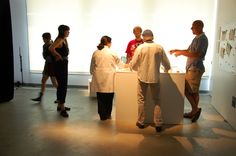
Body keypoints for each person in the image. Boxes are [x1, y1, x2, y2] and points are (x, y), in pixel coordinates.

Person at [129, 29, 171, 132]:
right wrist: (166, 69)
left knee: (141, 100)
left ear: (143, 37)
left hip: (142, 77)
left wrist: (134, 68)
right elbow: (166, 63)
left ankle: (141, 122)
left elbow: (133, 64)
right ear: (152, 36)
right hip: (155, 77)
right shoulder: (159, 47)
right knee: (157, 100)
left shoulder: (140, 47)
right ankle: (158, 123)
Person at [169, 20, 208, 122]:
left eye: (193, 27)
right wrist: (177, 50)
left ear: (199, 27)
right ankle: (193, 111)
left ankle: (195, 110)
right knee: (192, 91)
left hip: (195, 68)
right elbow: (189, 51)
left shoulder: (202, 39)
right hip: (192, 68)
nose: (191, 29)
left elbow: (197, 54)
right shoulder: (196, 38)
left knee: (189, 90)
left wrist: (180, 53)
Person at [90, 36, 124, 121]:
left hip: (98, 76)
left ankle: (102, 115)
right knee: (109, 96)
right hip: (110, 77)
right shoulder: (112, 52)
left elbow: (92, 66)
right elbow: (120, 65)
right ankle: (108, 114)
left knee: (100, 97)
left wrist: (93, 73)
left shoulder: (96, 52)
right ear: (109, 43)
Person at [49, 25, 71, 117]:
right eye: (67, 31)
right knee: (62, 86)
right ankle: (62, 108)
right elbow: (51, 48)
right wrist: (57, 55)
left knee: (61, 86)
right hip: (60, 65)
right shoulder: (60, 40)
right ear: (63, 31)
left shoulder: (64, 39)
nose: (69, 32)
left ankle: (59, 105)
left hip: (63, 65)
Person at [31, 32, 58, 102]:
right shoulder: (45, 45)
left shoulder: (51, 45)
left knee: (54, 83)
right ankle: (40, 97)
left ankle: (60, 97)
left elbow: (53, 56)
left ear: (47, 38)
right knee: (43, 80)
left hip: (51, 66)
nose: (43, 39)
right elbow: (45, 56)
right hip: (47, 65)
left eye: (43, 38)